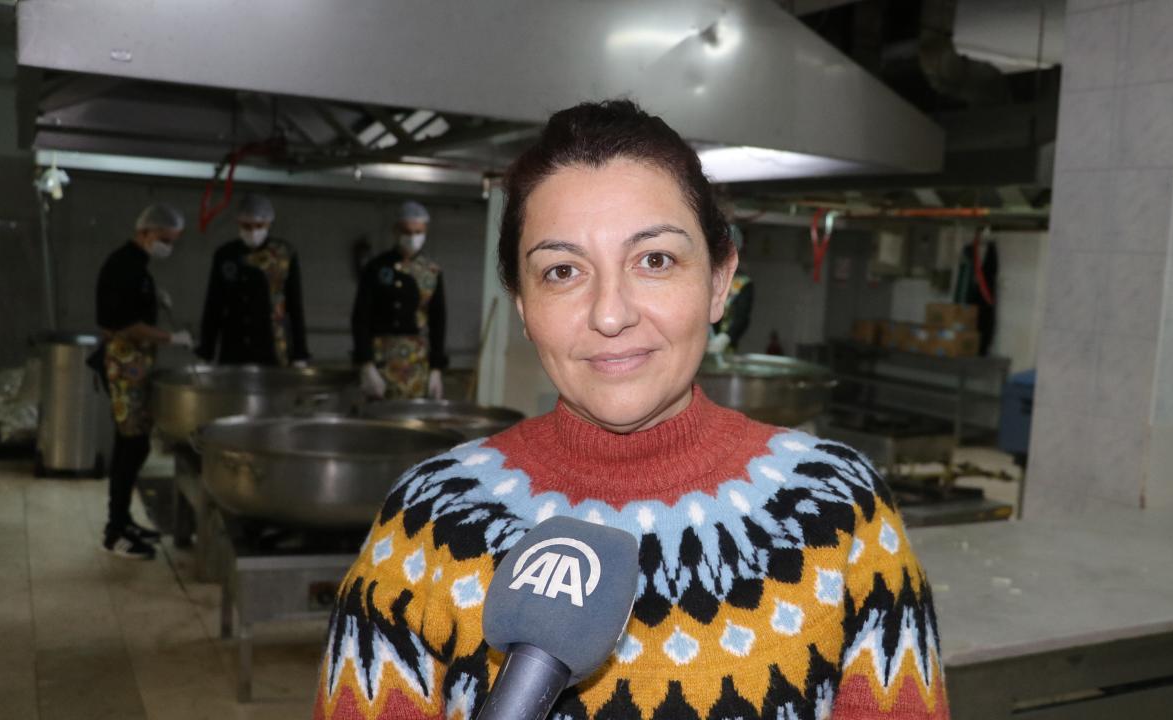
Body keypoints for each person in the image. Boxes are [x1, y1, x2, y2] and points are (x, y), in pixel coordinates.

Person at [314, 101, 948, 719]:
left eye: (655, 260)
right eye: (562, 271)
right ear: (524, 307)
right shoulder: (426, 521)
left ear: (719, 282)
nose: (610, 314)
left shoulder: (841, 509)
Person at [95, 204, 194, 560]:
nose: (169, 246)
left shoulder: (137, 266)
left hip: (136, 364)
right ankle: (115, 532)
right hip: (124, 364)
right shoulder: (124, 265)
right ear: (146, 232)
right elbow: (125, 325)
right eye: (166, 239)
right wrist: (171, 338)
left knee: (136, 445)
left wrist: (152, 298)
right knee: (131, 445)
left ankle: (124, 521)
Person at [196, 193, 310, 366]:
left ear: (269, 224)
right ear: (238, 223)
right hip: (234, 346)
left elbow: (295, 306)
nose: (253, 231)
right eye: (246, 226)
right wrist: (206, 351)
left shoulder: (283, 254)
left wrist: (300, 354)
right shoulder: (226, 255)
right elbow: (214, 305)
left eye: (259, 226)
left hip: (272, 346)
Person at [350, 201, 447, 399]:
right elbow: (360, 317)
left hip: (417, 360)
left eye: (418, 232)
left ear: (426, 231)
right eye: (407, 231)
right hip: (381, 358)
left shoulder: (431, 271)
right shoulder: (377, 268)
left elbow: (438, 321)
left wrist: (436, 369)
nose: (412, 238)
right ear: (396, 231)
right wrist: (366, 363)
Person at [708, 224, 752, 353]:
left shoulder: (743, 284)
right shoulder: (702, 276)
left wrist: (726, 337)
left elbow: (742, 318)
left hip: (723, 350)